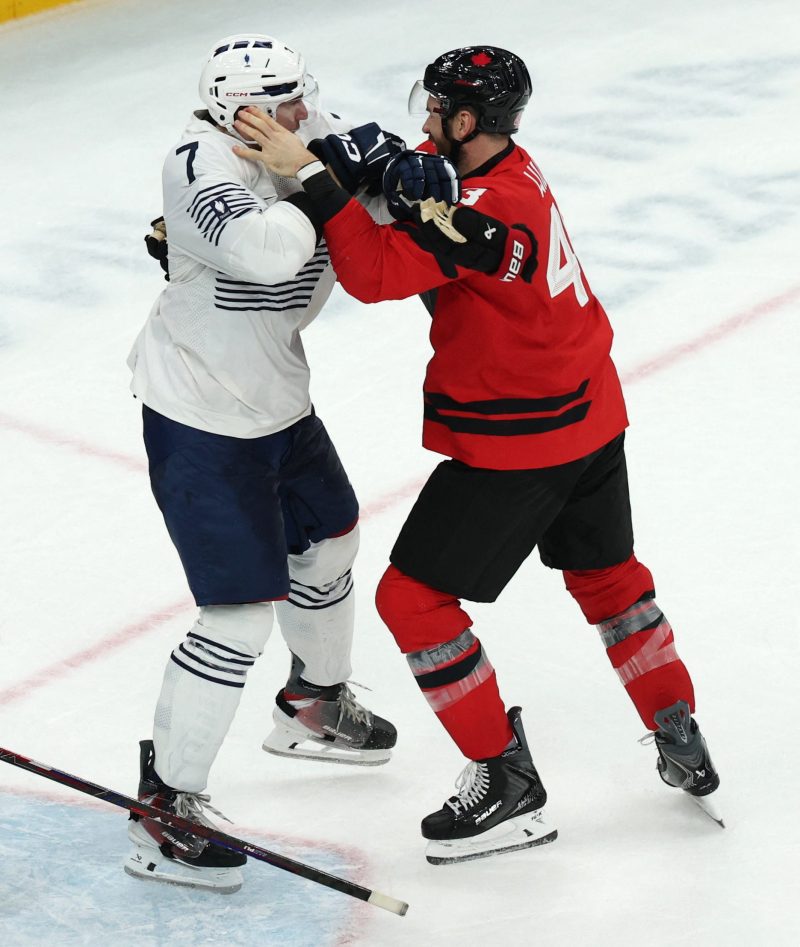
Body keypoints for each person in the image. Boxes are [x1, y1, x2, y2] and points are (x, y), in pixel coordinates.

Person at [232, 44, 723, 866]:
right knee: (608, 579)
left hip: (523, 438)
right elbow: (419, 183)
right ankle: (677, 724)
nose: (425, 121)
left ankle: (506, 779)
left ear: (467, 121)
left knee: (411, 600)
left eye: (436, 111)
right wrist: (359, 157)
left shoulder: (488, 216)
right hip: (591, 411)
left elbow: (374, 272)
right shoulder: (504, 167)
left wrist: (313, 178)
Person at [125, 33, 414, 893]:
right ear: (240, 112)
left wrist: (382, 171)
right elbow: (272, 251)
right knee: (238, 616)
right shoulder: (197, 165)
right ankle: (165, 809)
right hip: (201, 415)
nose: (304, 110)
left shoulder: (297, 129)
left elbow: (377, 174)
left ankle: (312, 704)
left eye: (302, 96)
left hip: (279, 399)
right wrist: (324, 179)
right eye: (285, 101)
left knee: (331, 542)